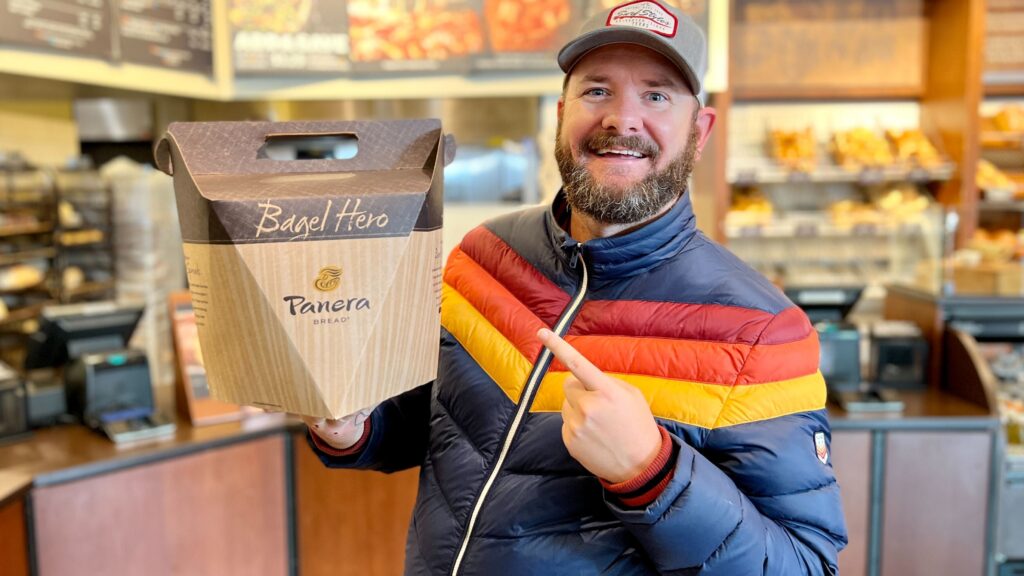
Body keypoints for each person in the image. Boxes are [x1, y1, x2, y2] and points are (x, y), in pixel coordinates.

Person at [303, 1, 848, 574]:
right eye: (597, 91)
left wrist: (651, 471)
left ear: (700, 128)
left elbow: (804, 563)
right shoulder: (485, 256)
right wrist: (354, 427)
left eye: (656, 95)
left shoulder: (761, 334)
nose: (622, 118)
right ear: (562, 114)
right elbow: (437, 427)